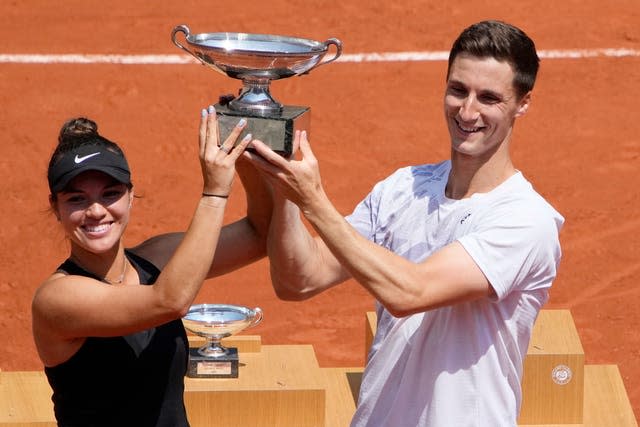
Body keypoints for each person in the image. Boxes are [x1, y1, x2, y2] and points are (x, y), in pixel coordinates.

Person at [245, 20, 564, 426]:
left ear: (523, 103)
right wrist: (282, 181)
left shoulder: (526, 220)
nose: (467, 111)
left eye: (489, 98)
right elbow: (299, 280)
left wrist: (315, 202)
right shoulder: (403, 189)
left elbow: (411, 291)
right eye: (457, 90)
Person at [31, 106, 270, 426]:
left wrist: (243, 145)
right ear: (56, 208)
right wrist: (214, 191)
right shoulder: (57, 299)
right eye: (77, 199)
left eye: (111, 194)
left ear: (131, 196)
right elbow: (170, 300)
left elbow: (260, 233)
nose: (96, 211)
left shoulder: (156, 258)